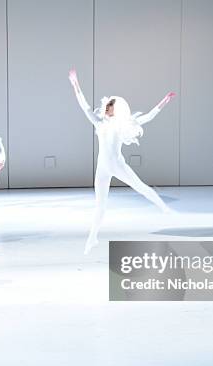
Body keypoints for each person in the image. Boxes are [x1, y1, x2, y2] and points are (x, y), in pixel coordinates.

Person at [68, 69, 175, 253]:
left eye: (110, 107)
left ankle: (164, 208)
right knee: (100, 206)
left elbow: (147, 117)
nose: (106, 109)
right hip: (102, 168)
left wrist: (163, 102)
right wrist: (76, 84)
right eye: (107, 106)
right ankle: (92, 238)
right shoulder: (99, 123)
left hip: (118, 165)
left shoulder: (122, 125)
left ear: (116, 110)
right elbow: (84, 105)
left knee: (140, 186)